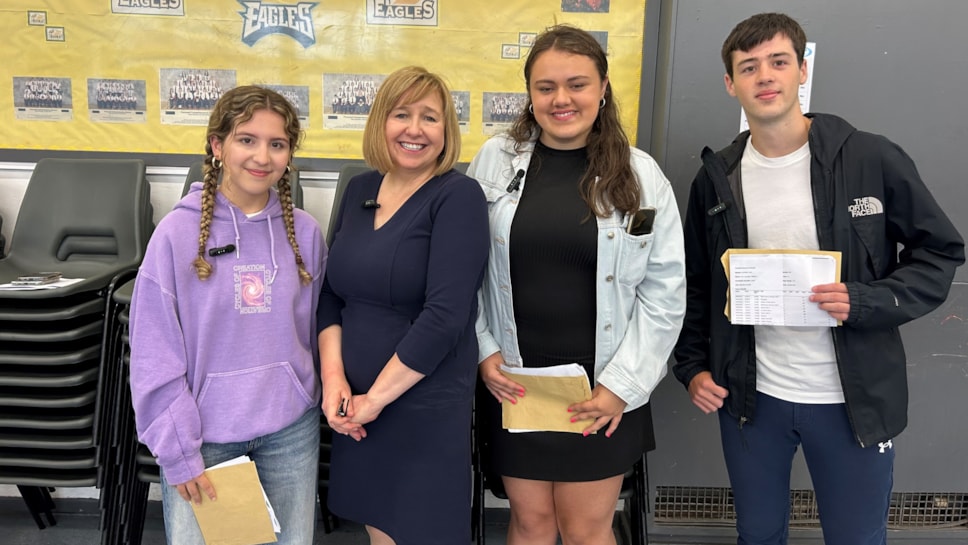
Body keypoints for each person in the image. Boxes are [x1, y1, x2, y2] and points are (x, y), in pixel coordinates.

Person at [673, 12, 965, 545]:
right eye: (748, 67)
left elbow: (940, 252)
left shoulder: (868, 156)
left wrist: (866, 300)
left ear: (801, 70)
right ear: (730, 83)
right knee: (758, 536)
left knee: (856, 537)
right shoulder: (719, 178)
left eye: (778, 62)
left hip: (851, 403)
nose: (765, 76)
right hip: (751, 400)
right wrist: (691, 367)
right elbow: (697, 283)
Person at [468, 25, 686, 545]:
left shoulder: (640, 176)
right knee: (531, 522)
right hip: (515, 384)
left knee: (587, 528)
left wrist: (622, 388)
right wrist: (483, 351)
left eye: (577, 84)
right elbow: (464, 272)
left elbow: (665, 294)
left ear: (603, 87)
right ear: (530, 94)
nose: (561, 99)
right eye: (545, 87)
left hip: (602, 390)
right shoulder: (494, 163)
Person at [129, 85, 324, 545]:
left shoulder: (308, 235)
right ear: (218, 147)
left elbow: (316, 331)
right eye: (246, 139)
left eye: (277, 144)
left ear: (289, 155)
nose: (262, 156)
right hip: (207, 436)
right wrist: (178, 452)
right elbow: (154, 352)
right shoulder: (176, 235)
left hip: (291, 431)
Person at [317, 66, 489, 545]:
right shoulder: (358, 190)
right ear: (380, 123)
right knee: (380, 531)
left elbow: (445, 316)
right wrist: (335, 381)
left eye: (430, 117)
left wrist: (375, 399)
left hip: (419, 407)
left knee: (418, 530)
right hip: (356, 406)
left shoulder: (458, 197)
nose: (415, 129)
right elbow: (332, 293)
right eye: (402, 114)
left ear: (446, 130)